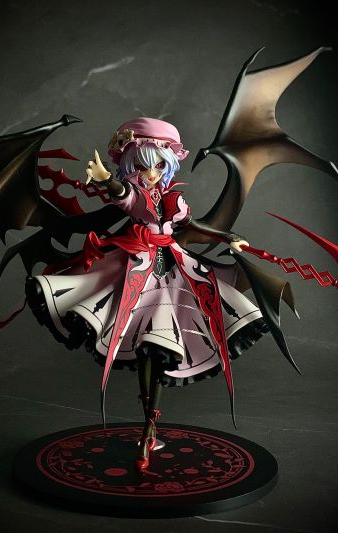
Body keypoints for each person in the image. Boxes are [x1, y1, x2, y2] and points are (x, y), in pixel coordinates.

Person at [26, 117, 267, 470]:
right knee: (147, 346)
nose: (150, 173)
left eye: (157, 166)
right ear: (129, 166)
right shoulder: (136, 196)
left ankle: (150, 425)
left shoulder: (172, 199)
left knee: (161, 345)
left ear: (169, 164)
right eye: (140, 166)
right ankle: (149, 425)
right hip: (135, 268)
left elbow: (191, 224)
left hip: (173, 268)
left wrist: (227, 237)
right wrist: (107, 181)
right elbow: (123, 196)